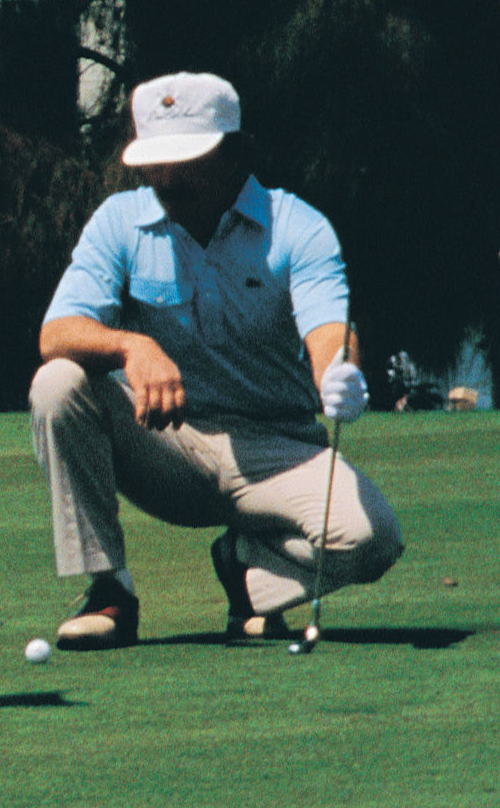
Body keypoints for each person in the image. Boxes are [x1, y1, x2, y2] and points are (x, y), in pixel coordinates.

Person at [30, 72, 403, 650]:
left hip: (276, 449)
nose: (168, 178)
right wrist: (134, 345)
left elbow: (328, 330)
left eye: (188, 159)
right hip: (166, 445)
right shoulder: (119, 221)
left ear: (237, 153)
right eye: (156, 162)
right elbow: (56, 332)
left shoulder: (297, 227)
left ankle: (246, 568)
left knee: (371, 541)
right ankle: (109, 592)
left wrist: (339, 374)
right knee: (57, 382)